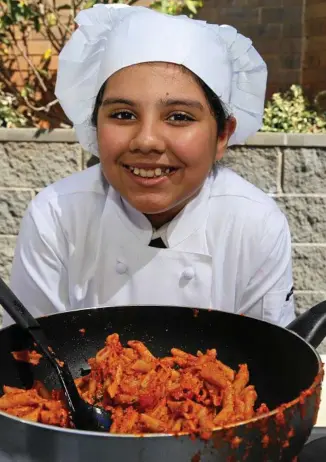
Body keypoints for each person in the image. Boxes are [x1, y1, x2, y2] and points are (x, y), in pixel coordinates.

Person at [2, 4, 295, 328]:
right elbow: (30, 357)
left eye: (179, 117)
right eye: (123, 115)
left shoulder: (254, 225)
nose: (147, 140)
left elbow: (272, 362)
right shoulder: (56, 216)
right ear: (94, 126)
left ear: (222, 135)